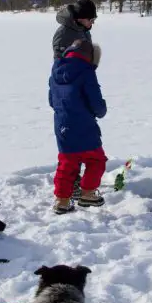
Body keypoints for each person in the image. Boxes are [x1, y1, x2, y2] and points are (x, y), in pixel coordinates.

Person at [48, 38, 107, 214]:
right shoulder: (86, 71)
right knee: (96, 160)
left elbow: (51, 100)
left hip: (62, 125)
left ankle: (62, 201)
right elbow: (95, 101)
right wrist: (100, 110)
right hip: (84, 125)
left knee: (67, 163)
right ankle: (87, 193)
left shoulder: (56, 70)